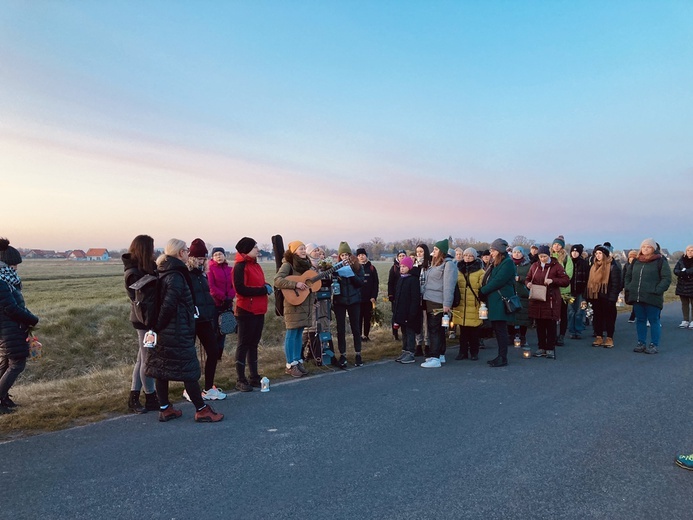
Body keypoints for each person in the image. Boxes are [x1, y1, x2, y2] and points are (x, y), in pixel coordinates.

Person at [146, 239, 223, 423]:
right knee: (189, 368)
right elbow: (169, 304)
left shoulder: (164, 270)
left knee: (162, 368)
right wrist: (160, 324)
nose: (189, 253)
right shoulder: (176, 275)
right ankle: (201, 409)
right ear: (180, 253)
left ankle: (165, 408)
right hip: (176, 329)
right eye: (186, 250)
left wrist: (157, 327)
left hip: (166, 330)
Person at [0, 238, 39, 414]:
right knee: (17, 364)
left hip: (10, 328)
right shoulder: (1, 282)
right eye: (13, 264)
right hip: (8, 329)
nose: (16, 268)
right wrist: (32, 319)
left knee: (6, 363)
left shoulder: (6, 281)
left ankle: (4, 398)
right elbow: (11, 308)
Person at [122, 234, 159, 414]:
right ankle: (151, 396)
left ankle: (134, 398)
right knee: (147, 359)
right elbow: (139, 297)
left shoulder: (148, 267)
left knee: (141, 359)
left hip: (148, 318)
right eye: (151, 248)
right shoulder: (132, 272)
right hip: (143, 320)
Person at [185, 239, 227, 397]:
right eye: (199, 259)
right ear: (192, 258)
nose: (202, 261)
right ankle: (189, 389)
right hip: (190, 320)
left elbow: (206, 297)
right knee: (190, 355)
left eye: (203, 258)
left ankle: (208, 387)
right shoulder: (186, 275)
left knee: (213, 350)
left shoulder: (202, 276)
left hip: (204, 319)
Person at [233, 237, 272, 385]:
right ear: (247, 249)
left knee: (254, 343)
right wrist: (263, 289)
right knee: (243, 344)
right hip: (246, 310)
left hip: (259, 309)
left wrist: (266, 285)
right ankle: (240, 379)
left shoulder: (256, 265)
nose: (257, 249)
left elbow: (258, 283)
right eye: (255, 247)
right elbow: (240, 289)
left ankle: (254, 376)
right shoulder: (240, 266)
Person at [274, 241, 315, 377]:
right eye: (300, 249)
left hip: (305, 304)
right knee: (291, 334)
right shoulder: (288, 264)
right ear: (293, 251)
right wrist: (295, 284)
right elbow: (278, 280)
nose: (303, 251)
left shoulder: (307, 265)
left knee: (299, 334)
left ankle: (298, 361)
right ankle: (290, 364)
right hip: (293, 304)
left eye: (304, 248)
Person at [625, 238, 672, 354]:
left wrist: (657, 290)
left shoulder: (660, 261)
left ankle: (654, 344)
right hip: (637, 296)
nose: (645, 249)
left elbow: (666, 278)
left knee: (653, 320)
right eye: (643, 247)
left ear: (654, 249)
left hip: (652, 296)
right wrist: (629, 287)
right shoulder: (636, 261)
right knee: (640, 320)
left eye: (648, 247)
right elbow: (628, 276)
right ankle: (641, 342)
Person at [525, 245, 570, 360]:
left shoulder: (556, 266)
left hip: (551, 299)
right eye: (540, 256)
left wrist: (553, 280)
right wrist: (528, 284)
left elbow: (566, 281)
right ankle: (541, 347)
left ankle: (550, 348)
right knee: (539, 324)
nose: (543, 259)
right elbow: (528, 278)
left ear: (548, 255)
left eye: (544, 256)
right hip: (537, 299)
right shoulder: (534, 266)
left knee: (550, 324)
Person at [479, 239, 517, 367]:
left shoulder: (507, 263)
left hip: (501, 300)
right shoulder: (496, 262)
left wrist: (483, 291)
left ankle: (503, 357)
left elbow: (498, 281)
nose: (491, 252)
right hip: (495, 300)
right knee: (497, 328)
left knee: (501, 329)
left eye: (493, 250)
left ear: (499, 251)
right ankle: (500, 356)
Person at [420, 239, 457, 368]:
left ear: (442, 251)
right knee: (437, 329)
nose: (433, 251)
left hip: (438, 301)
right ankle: (440, 354)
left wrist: (447, 303)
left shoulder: (448, 265)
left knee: (434, 329)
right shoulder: (435, 264)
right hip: (429, 299)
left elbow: (448, 285)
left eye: (436, 249)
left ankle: (434, 357)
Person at [332, 242, 365, 368]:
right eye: (342, 255)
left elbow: (360, 283)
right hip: (340, 301)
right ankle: (343, 355)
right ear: (339, 256)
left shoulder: (357, 266)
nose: (345, 257)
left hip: (354, 300)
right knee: (340, 329)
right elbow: (332, 282)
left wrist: (351, 275)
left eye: (347, 254)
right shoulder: (336, 267)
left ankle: (358, 354)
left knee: (355, 328)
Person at [587, 245, 623, 348]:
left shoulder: (612, 266)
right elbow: (590, 282)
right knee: (597, 317)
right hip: (596, 297)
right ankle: (598, 336)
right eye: (596, 254)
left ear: (605, 255)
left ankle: (609, 338)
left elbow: (616, 284)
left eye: (600, 253)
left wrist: (612, 298)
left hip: (608, 297)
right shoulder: (593, 266)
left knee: (609, 318)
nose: (598, 256)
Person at [453, 247, 484, 360]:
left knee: (474, 332)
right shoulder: (458, 270)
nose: (467, 257)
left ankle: (474, 352)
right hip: (461, 305)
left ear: (474, 257)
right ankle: (462, 352)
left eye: (470, 255)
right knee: (463, 332)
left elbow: (483, 288)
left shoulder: (480, 272)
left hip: (474, 305)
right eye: (466, 255)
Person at [393, 256, 422, 364]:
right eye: (400, 266)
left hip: (409, 313)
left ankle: (411, 352)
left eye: (404, 266)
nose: (402, 268)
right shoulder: (401, 279)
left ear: (409, 267)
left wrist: (412, 313)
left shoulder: (413, 280)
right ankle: (404, 351)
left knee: (410, 333)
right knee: (404, 333)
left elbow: (415, 298)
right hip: (401, 312)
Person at [207, 246, 235, 360]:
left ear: (224, 255)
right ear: (212, 257)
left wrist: (230, 297)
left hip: (227, 304)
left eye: (220, 254)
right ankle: (212, 356)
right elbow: (211, 287)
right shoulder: (210, 269)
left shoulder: (230, 269)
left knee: (224, 329)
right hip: (215, 304)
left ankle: (219, 356)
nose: (218, 256)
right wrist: (223, 298)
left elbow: (234, 285)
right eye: (216, 255)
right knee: (215, 330)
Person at [551, 236, 573, 346]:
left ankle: (561, 335)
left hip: (563, 290)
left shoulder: (566, 258)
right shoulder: (549, 256)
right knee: (552, 314)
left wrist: (555, 280)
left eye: (559, 245)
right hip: (550, 290)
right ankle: (553, 335)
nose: (556, 246)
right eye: (555, 244)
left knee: (562, 314)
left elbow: (568, 274)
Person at [507, 246, 532, 347]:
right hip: (511, 293)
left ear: (523, 253)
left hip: (523, 293)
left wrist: (521, 279)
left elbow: (531, 278)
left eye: (519, 252)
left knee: (523, 317)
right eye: (515, 252)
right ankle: (511, 335)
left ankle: (522, 336)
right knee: (510, 316)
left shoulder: (528, 265)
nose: (517, 254)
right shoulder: (508, 264)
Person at [412, 243, 431, 357]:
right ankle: (418, 344)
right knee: (417, 322)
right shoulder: (414, 266)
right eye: (417, 252)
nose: (419, 254)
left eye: (421, 251)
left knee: (426, 322)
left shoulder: (429, 266)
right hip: (416, 297)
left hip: (426, 296)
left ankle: (427, 344)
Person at [356, 248, 379, 342]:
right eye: (359, 255)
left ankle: (366, 335)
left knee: (367, 318)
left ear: (366, 256)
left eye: (363, 254)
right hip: (358, 298)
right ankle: (358, 336)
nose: (361, 256)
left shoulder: (371, 268)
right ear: (357, 257)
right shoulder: (355, 268)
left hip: (369, 298)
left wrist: (374, 296)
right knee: (358, 318)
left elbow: (375, 283)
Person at [388, 250, 407, 341]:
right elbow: (390, 283)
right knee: (395, 315)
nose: (402, 257)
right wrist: (391, 295)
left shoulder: (409, 267)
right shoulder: (394, 268)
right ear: (397, 257)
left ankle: (405, 333)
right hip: (396, 296)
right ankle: (395, 334)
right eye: (400, 256)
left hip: (405, 296)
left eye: (403, 255)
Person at [674, 245, 693, 329]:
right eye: (688, 250)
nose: (690, 252)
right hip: (682, 285)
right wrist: (681, 273)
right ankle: (685, 320)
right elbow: (675, 270)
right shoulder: (681, 260)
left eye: (692, 250)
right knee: (684, 303)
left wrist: (685, 272)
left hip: (691, 284)